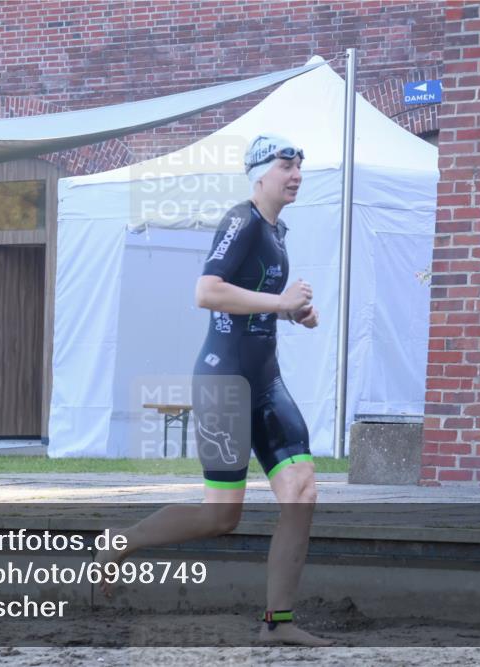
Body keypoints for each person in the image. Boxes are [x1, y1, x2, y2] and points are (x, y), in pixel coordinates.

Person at [94, 134, 331, 647]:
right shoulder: (241, 220)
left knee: (302, 491)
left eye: (299, 166)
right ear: (260, 173)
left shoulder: (277, 230)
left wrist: (294, 311)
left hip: (266, 382)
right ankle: (120, 543)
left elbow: (257, 300)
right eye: (287, 165)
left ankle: (277, 623)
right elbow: (207, 291)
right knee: (220, 514)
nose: (296, 175)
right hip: (224, 382)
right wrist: (279, 303)